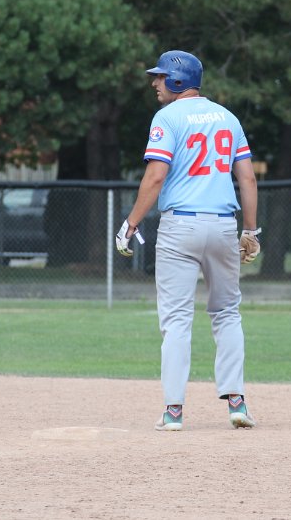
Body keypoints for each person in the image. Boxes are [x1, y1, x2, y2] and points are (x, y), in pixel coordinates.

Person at [115, 49, 260, 431]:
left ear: (179, 80)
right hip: (224, 226)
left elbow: (155, 176)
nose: (155, 82)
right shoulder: (228, 117)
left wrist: (130, 224)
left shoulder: (168, 117)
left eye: (161, 76)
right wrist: (250, 230)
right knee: (226, 313)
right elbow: (247, 178)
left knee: (177, 319)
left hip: (180, 225)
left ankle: (174, 412)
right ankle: (237, 402)